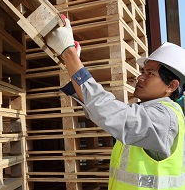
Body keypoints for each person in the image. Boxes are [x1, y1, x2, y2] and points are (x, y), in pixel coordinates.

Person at [46, 17, 185, 189]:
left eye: (150, 73)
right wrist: (71, 62)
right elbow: (103, 109)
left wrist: (69, 53)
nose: (139, 77)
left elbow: (108, 111)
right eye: (143, 71)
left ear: (171, 85)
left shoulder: (166, 118)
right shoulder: (153, 114)